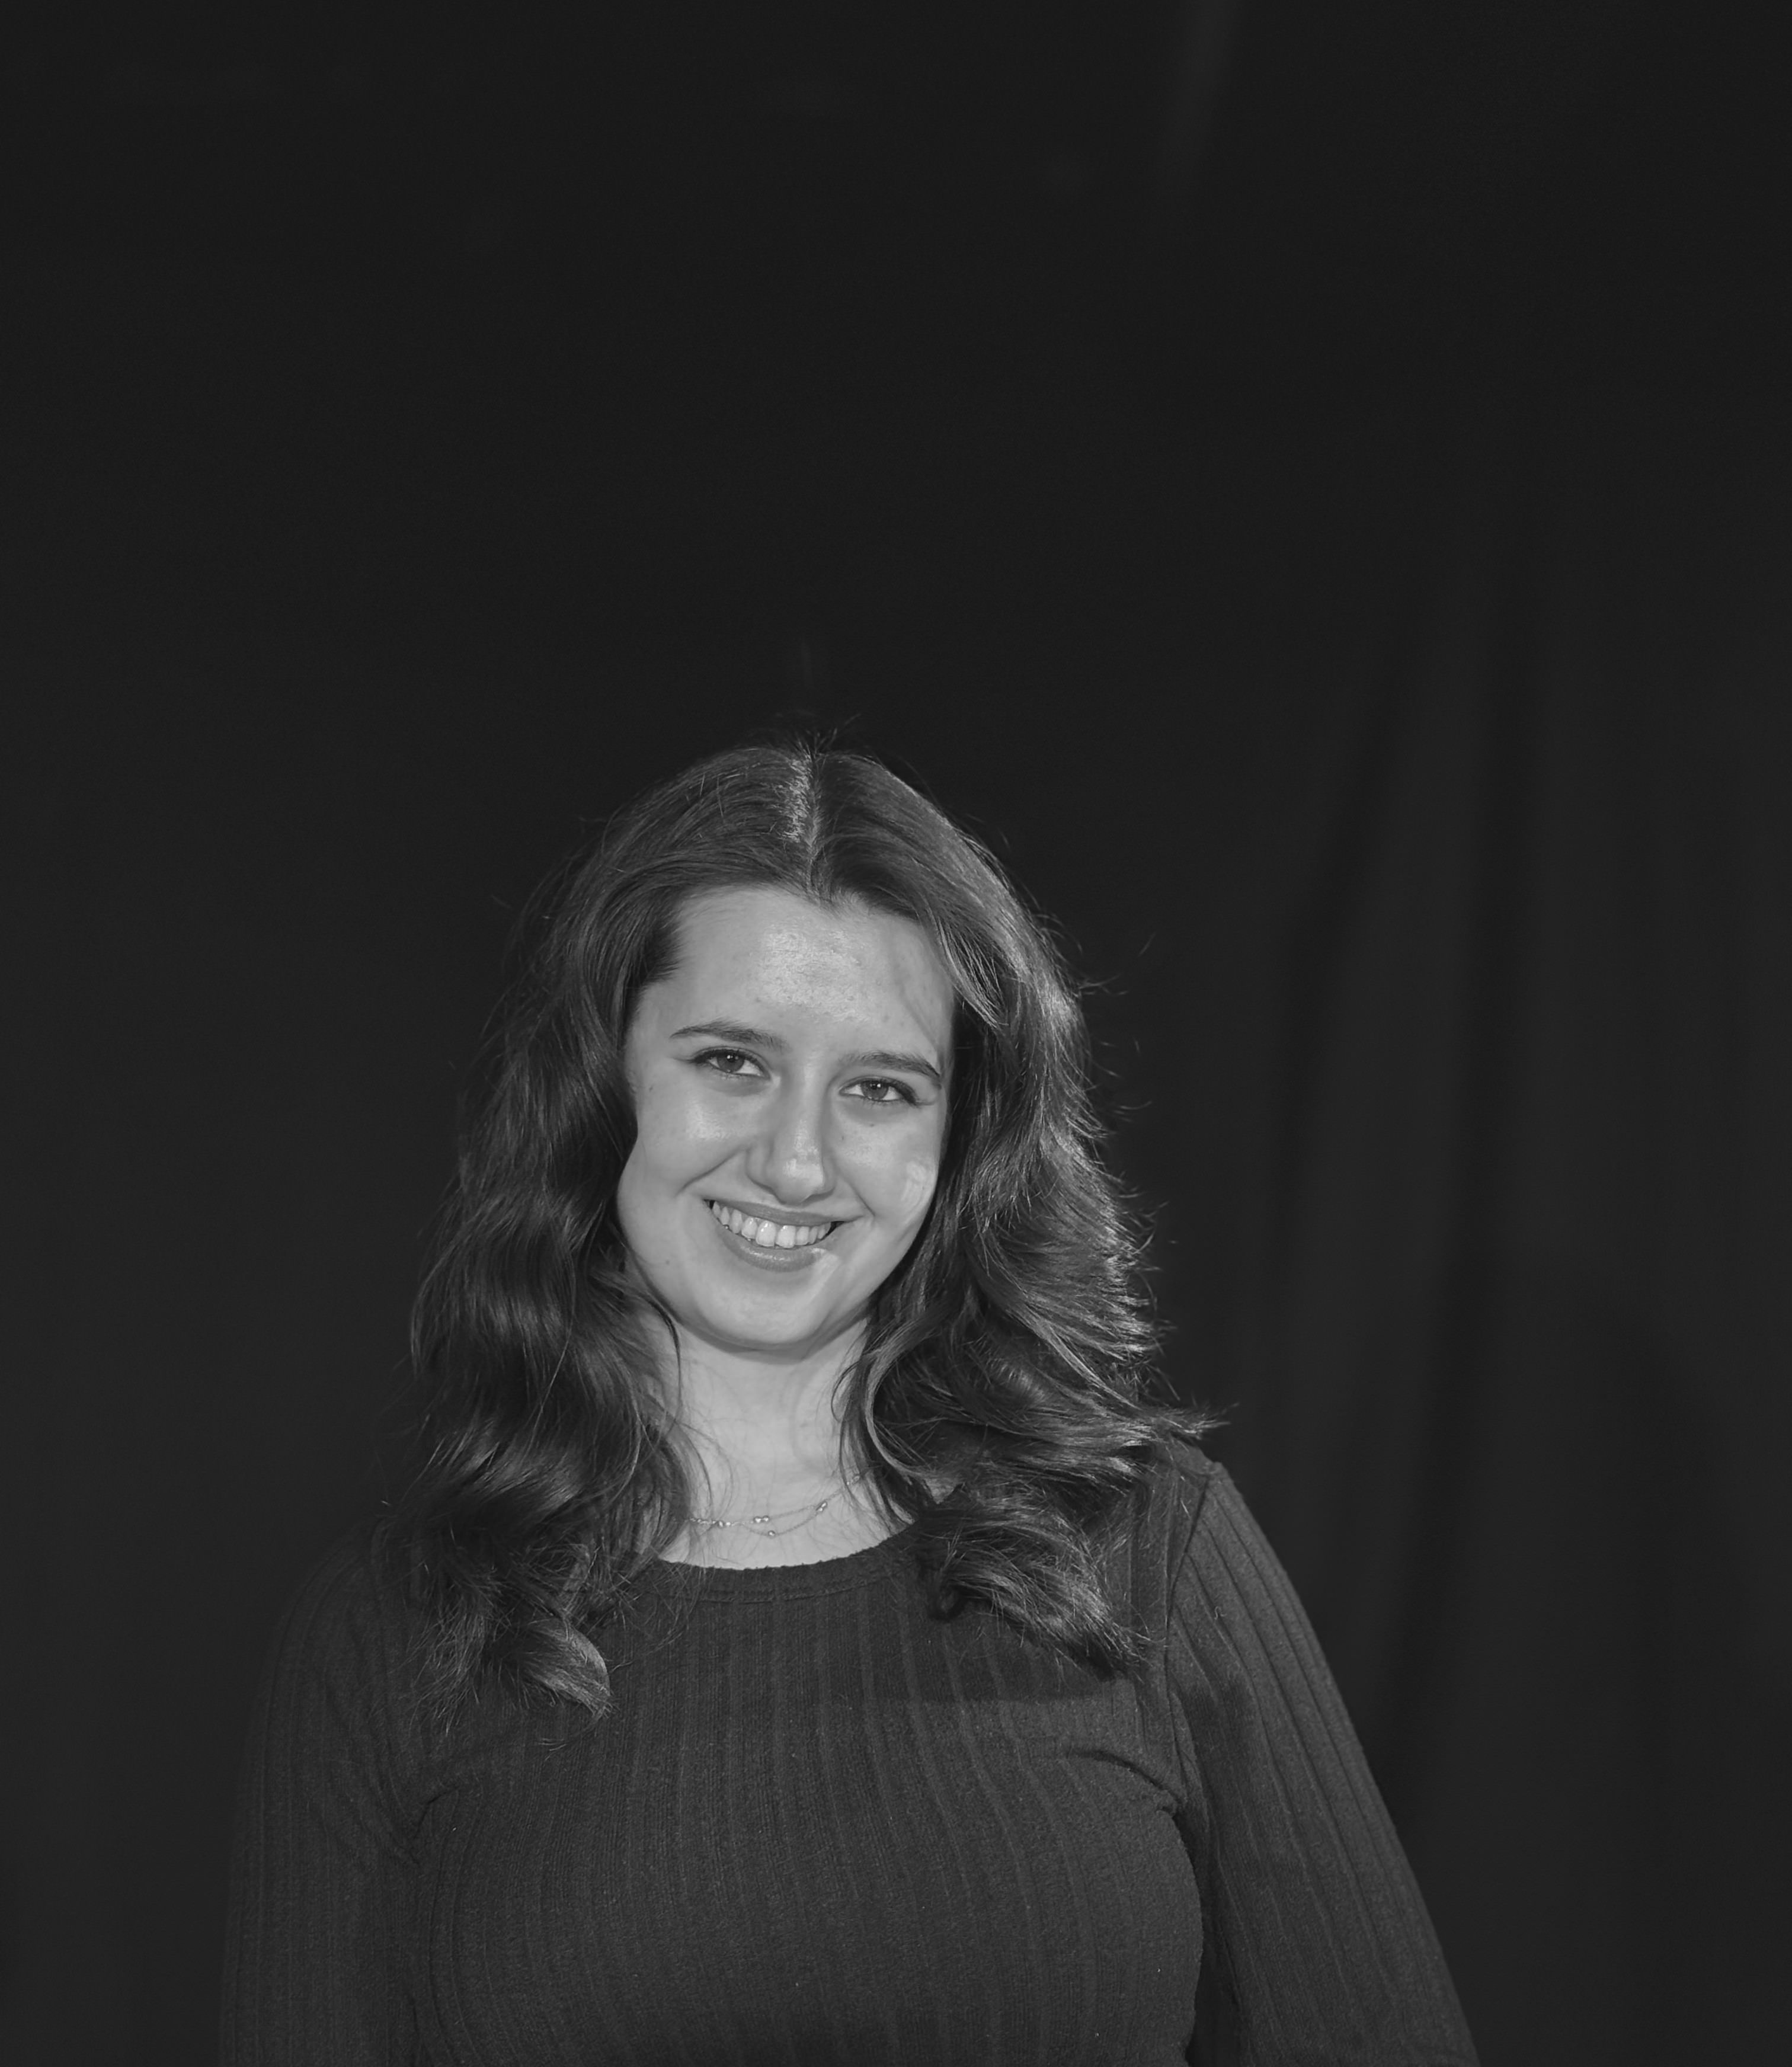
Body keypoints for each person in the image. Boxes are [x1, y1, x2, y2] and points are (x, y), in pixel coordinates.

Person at [222, 736, 1479, 2066]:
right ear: (602, 1084)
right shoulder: (396, 1635)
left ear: (959, 1142)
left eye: (880, 1089)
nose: (798, 1161)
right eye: (732, 1062)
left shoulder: (1144, 1556)